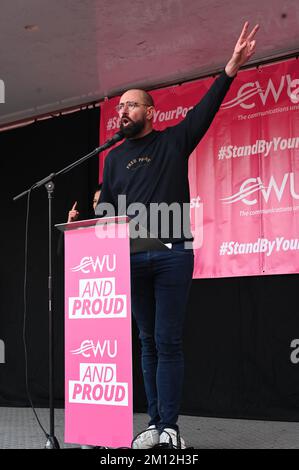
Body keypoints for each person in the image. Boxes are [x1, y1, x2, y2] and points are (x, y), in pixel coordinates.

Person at [96, 22, 259, 449]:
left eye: (131, 105)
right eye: (119, 107)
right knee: (146, 341)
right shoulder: (112, 160)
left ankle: (171, 428)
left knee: (167, 340)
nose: (123, 111)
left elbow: (206, 109)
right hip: (131, 259)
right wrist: (92, 220)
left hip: (171, 256)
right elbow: (108, 210)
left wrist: (230, 68)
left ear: (150, 112)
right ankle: (153, 424)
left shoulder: (173, 142)